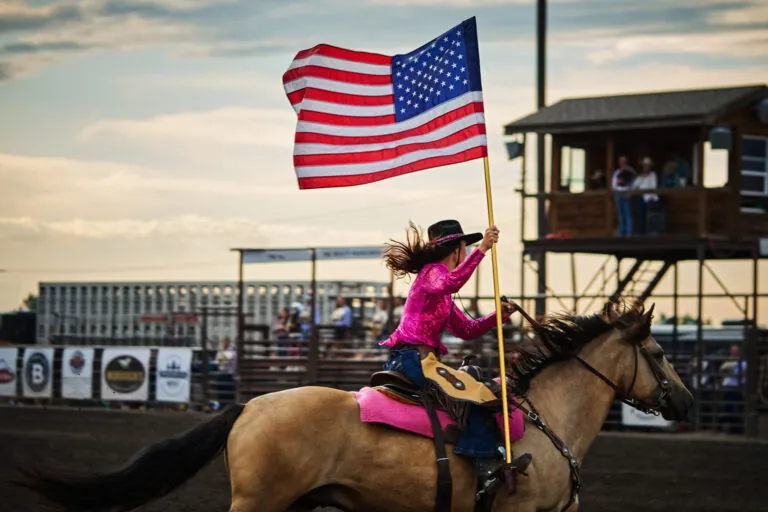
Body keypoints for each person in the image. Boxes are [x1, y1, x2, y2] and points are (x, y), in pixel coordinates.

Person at [379, 219, 530, 489]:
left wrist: (500, 316)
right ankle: (484, 467)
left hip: (419, 359)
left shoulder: (439, 287)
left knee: (474, 390)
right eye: (467, 247)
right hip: (413, 359)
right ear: (456, 250)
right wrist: (482, 249)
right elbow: (452, 284)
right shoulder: (432, 273)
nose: (469, 251)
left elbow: (467, 330)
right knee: (477, 393)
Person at [632, 157, 660, 235]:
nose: (646, 167)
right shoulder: (640, 177)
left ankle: (651, 233)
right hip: (642, 198)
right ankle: (642, 234)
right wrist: (642, 178)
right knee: (642, 217)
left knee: (651, 217)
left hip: (651, 198)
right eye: (645, 166)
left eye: (647, 165)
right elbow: (634, 186)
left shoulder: (653, 175)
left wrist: (651, 196)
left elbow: (653, 186)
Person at [612, 155, 636, 237]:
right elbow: (614, 185)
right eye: (620, 161)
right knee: (621, 215)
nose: (622, 163)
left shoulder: (631, 172)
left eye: (623, 161)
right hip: (619, 195)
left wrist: (629, 193)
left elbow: (633, 184)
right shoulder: (617, 173)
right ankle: (621, 233)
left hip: (627, 194)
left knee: (628, 214)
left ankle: (629, 233)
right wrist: (616, 194)